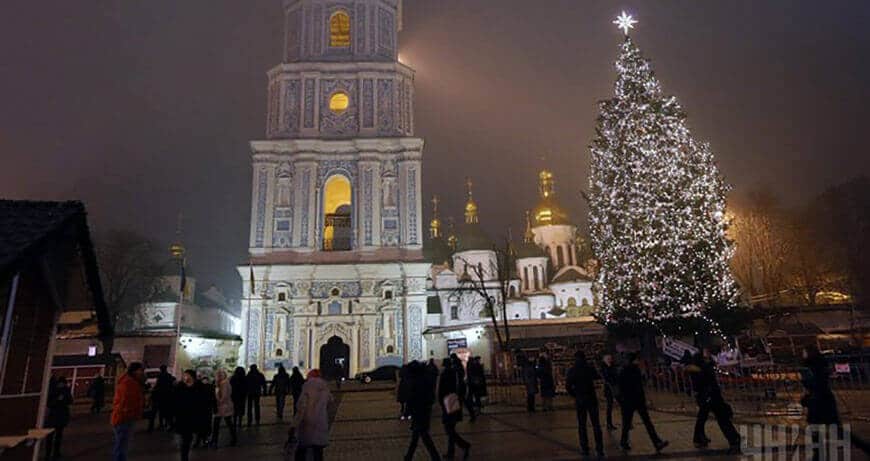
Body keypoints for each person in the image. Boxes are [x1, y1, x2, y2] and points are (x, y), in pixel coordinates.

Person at [687, 349, 741, 452]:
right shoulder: (703, 369)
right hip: (710, 396)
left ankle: (733, 439)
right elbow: (705, 382)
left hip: (710, 396)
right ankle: (733, 439)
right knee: (720, 418)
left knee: (713, 417)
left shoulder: (703, 368)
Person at [618, 353, 669, 453]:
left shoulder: (624, 371)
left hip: (628, 401)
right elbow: (639, 387)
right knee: (646, 422)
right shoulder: (634, 370)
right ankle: (656, 442)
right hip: (637, 400)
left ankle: (624, 442)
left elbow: (622, 387)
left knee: (627, 423)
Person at [800, 345, 840, 461]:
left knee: (819, 428)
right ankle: (818, 454)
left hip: (819, 401)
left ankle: (818, 454)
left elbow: (816, 384)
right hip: (821, 400)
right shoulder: (818, 366)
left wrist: (808, 397)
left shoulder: (813, 367)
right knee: (819, 428)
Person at [565, 351, 604, 458]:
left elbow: (568, 385)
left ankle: (584, 447)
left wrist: (575, 395)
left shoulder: (572, 370)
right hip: (591, 398)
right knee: (596, 424)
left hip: (580, 400)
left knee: (582, 425)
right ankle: (599, 448)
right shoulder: (589, 368)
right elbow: (597, 376)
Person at [403, 361, 440, 461]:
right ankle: (409, 456)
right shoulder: (425, 379)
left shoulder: (416, 382)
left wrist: (407, 411)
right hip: (424, 412)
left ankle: (435, 457)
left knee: (423, 436)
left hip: (419, 413)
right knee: (418, 437)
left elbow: (412, 398)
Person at [293, 369, 333, 461]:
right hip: (320, 423)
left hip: (307, 422)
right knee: (318, 451)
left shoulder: (307, 386)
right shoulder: (324, 387)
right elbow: (330, 401)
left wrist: (294, 425)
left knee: (301, 450)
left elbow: (301, 407)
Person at [438, 356, 471, 460]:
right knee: (450, 429)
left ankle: (464, 445)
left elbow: (441, 391)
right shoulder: (456, 373)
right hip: (454, 402)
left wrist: (441, 402)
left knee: (449, 429)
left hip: (448, 403)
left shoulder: (446, 374)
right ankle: (451, 452)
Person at [112, 362, 145, 461]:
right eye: (140, 370)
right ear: (135, 371)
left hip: (125, 417)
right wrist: (130, 413)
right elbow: (125, 401)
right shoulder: (128, 383)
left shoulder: (130, 381)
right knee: (121, 446)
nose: (142, 372)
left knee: (122, 445)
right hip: (124, 418)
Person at [173, 370, 205, 461]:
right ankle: (184, 457)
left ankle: (185, 456)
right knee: (185, 438)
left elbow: (202, 401)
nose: (185, 377)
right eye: (184, 375)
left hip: (193, 416)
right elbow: (175, 400)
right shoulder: (179, 386)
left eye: (187, 375)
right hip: (182, 416)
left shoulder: (199, 387)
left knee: (188, 437)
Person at [45, 376, 73, 460]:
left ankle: (55, 453)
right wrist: (58, 400)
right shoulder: (54, 391)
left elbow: (70, 401)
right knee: (52, 436)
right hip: (56, 416)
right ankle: (49, 454)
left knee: (57, 436)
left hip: (59, 416)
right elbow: (49, 403)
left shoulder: (65, 391)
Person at [211, 369, 237, 447]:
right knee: (224, 423)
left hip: (223, 406)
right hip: (223, 406)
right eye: (218, 375)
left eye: (221, 374)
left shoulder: (224, 383)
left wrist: (218, 400)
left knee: (221, 424)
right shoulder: (222, 383)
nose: (219, 376)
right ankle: (215, 440)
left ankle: (215, 441)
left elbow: (224, 397)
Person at [148, 365, 175, 432]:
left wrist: (153, 392)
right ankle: (169, 426)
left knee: (154, 413)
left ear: (161, 369)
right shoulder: (170, 376)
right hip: (166, 398)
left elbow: (157, 386)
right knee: (166, 413)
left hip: (158, 397)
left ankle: (151, 427)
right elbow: (171, 387)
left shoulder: (160, 376)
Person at [600, 353, 619, 431]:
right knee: (609, 406)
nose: (610, 359)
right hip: (609, 389)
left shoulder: (612, 366)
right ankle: (609, 423)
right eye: (608, 358)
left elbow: (616, 375)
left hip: (614, 387)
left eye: (610, 358)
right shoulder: (604, 368)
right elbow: (606, 377)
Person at [195, 376, 216, 447]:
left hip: (199, 409)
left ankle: (198, 441)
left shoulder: (197, 388)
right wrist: (215, 408)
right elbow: (213, 398)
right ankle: (205, 440)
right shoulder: (210, 388)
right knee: (206, 425)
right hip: (207, 409)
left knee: (200, 425)